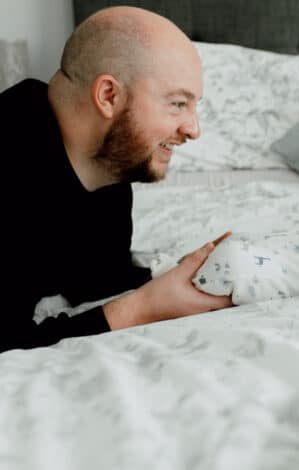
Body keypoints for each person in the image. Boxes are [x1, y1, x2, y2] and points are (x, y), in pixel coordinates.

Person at [1, 6, 232, 353]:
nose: (193, 129)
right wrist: (143, 308)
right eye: (177, 104)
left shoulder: (108, 161)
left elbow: (95, 278)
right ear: (108, 96)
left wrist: (178, 272)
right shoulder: (13, 159)